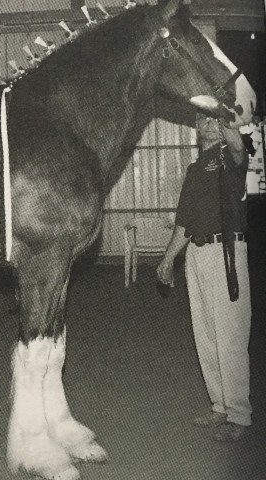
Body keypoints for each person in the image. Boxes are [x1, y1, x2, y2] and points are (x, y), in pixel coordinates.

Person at [157, 113, 252, 442]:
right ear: (196, 126)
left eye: (215, 120)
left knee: (230, 335)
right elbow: (184, 221)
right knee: (207, 334)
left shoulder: (228, 157)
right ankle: (219, 405)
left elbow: (241, 153)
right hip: (196, 254)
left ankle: (239, 414)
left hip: (225, 251)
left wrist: (235, 137)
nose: (208, 124)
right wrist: (168, 260)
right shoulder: (195, 169)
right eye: (203, 119)